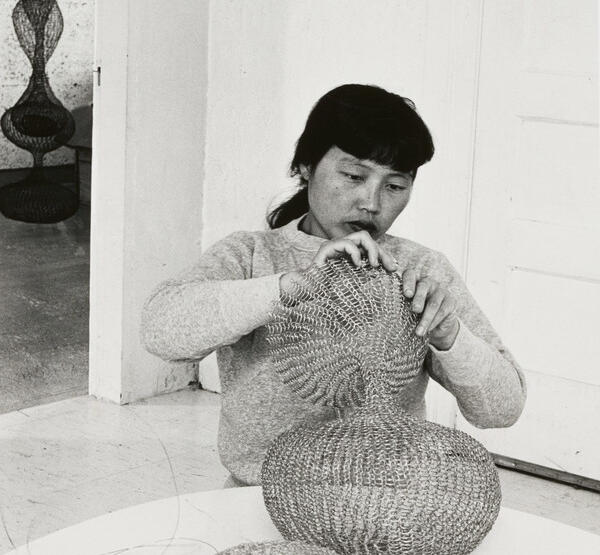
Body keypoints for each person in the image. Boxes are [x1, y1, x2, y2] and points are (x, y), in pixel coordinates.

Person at [141, 84, 526, 486]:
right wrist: (293, 286)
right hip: (258, 495)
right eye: (354, 175)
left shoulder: (419, 269)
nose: (372, 203)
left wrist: (450, 335)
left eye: (395, 186)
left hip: (385, 502)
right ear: (306, 165)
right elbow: (159, 332)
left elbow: (502, 410)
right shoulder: (252, 255)